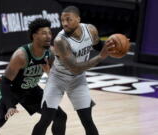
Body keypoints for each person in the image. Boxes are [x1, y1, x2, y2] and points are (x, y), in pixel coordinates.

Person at [32, 6, 116, 135]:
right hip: (58, 79)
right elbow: (75, 68)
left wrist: (113, 47)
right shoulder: (60, 40)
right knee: (46, 119)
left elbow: (98, 45)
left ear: (78, 19)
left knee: (88, 121)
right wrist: (101, 57)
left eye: (68, 19)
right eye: (62, 20)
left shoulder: (91, 30)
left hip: (78, 80)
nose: (64, 23)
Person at [0, 18, 67, 135]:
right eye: (44, 33)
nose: (48, 36)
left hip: (31, 89)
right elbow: (5, 83)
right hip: (11, 90)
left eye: (50, 33)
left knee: (60, 116)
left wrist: (49, 73)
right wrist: (10, 105)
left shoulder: (50, 53)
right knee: (0, 118)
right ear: (34, 36)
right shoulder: (21, 55)